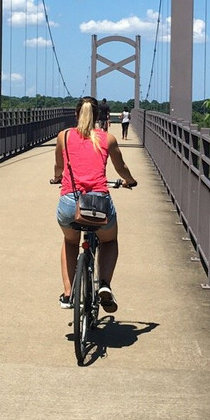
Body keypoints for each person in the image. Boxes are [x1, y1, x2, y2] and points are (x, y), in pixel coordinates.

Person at [53, 96, 137, 313]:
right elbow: (121, 168)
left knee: (70, 242)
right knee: (109, 241)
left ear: (75, 114)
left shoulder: (64, 136)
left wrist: (56, 178)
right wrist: (130, 181)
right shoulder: (107, 139)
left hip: (70, 203)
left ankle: (68, 293)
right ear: (99, 116)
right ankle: (105, 285)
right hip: (99, 204)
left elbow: (58, 167)